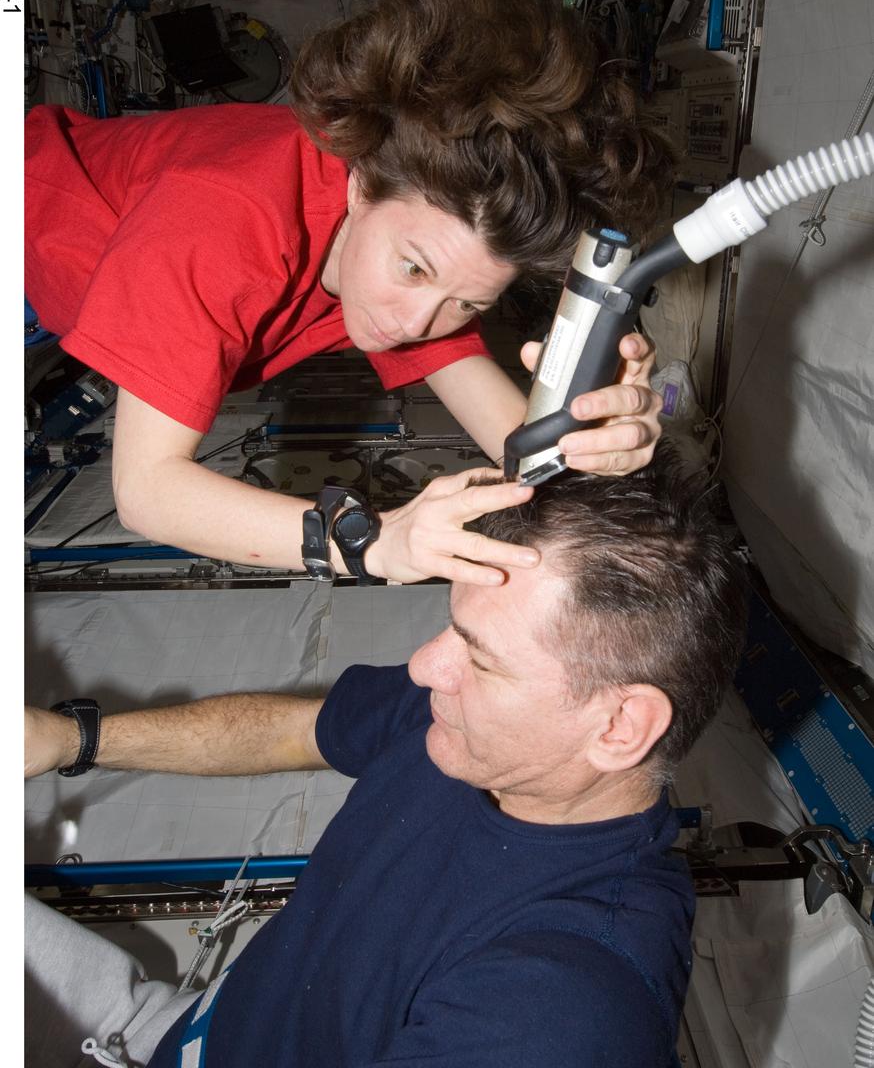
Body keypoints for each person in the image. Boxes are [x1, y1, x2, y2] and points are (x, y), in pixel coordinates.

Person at [25, 447, 748, 1067]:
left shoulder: (558, 1006)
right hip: (180, 1027)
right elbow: (291, 732)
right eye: (452, 627)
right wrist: (72, 741)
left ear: (621, 725)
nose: (428, 666)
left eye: (483, 660)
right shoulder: (464, 734)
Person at [25, 0, 672, 587]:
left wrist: (596, 450)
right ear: (359, 187)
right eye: (414, 270)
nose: (420, 321)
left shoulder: (411, 244)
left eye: (470, 303)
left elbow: (521, 436)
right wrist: (377, 543)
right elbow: (147, 490)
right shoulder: (226, 219)